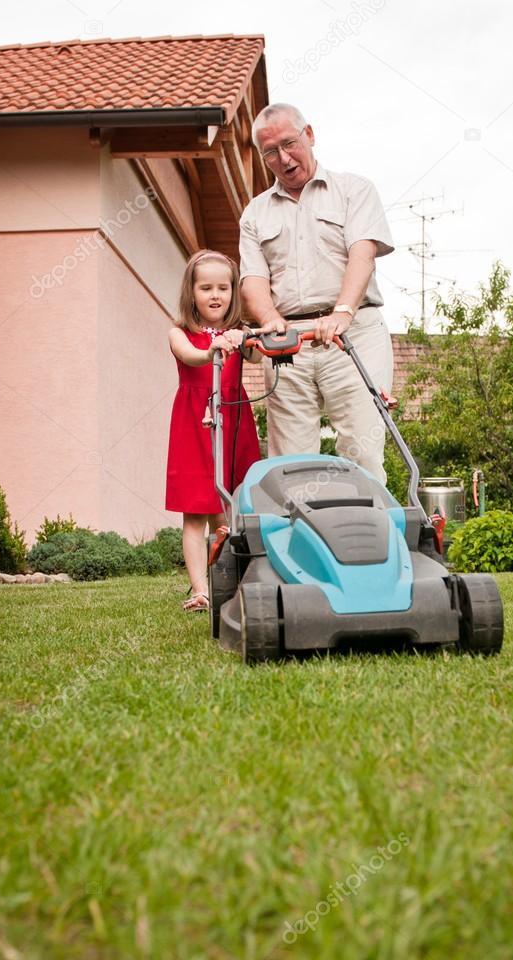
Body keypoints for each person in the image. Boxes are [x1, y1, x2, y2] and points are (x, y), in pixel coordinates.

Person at [239, 102, 395, 483]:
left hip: (354, 331)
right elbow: (252, 281)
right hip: (288, 343)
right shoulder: (255, 213)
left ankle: (366, 539)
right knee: (290, 466)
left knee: (363, 450)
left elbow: (363, 253)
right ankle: (299, 540)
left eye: (290, 143)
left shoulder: (353, 190)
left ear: (309, 135)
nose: (284, 157)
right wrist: (271, 321)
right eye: (271, 152)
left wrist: (342, 312)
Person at [166, 249, 261, 611]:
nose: (216, 295)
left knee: (231, 503)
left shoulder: (237, 333)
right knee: (195, 508)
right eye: (206, 288)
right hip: (195, 422)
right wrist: (212, 352)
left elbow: (255, 354)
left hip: (235, 419)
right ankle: (199, 589)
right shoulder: (180, 333)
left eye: (223, 287)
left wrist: (247, 339)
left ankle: (232, 581)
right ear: (191, 293)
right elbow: (190, 356)